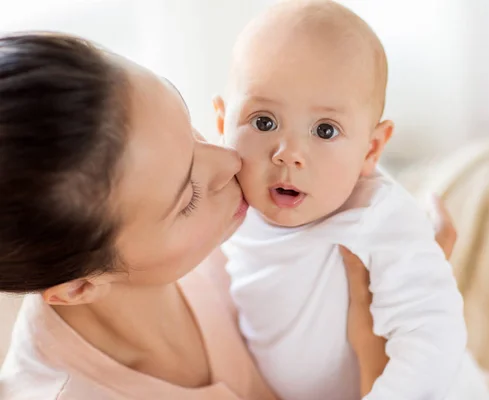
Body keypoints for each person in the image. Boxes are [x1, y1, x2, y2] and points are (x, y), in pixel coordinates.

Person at [0, 32, 461, 400]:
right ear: (80, 286)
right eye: (189, 198)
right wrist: (373, 346)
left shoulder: (215, 223)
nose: (230, 163)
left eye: (190, 127)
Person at [216, 1, 489, 399]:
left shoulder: (373, 213)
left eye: (325, 130)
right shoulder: (223, 197)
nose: (288, 152)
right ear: (223, 124)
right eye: (264, 122)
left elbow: (434, 330)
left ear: (371, 149)